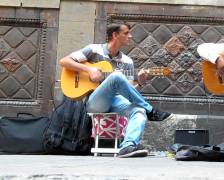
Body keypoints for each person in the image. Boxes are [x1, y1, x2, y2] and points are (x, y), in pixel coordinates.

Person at [59, 23, 173, 158]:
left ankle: (127, 146)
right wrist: (90, 69)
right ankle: (151, 110)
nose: (130, 36)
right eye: (126, 33)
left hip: (117, 101)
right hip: (95, 102)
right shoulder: (94, 50)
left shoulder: (127, 61)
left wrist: (140, 82)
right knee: (117, 76)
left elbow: (128, 90)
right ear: (115, 35)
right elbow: (64, 61)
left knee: (139, 111)